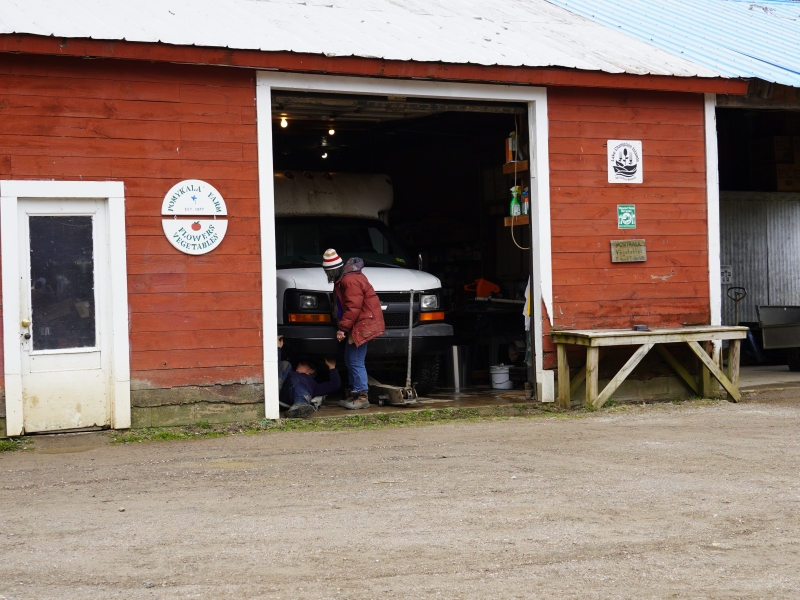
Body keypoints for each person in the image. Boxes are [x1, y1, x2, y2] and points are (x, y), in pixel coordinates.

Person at [322, 249, 385, 410]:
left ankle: (361, 396)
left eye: (327, 272)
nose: (327, 275)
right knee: (351, 359)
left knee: (355, 361)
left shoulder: (348, 280)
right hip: (360, 323)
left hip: (362, 324)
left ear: (333, 270)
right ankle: (355, 393)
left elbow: (353, 308)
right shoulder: (349, 277)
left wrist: (342, 328)